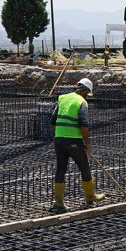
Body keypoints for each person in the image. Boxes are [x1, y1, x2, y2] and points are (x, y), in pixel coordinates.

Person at [49, 77, 104, 212]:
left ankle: (59, 203)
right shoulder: (82, 102)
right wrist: (87, 143)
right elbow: (83, 125)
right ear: (86, 92)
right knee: (84, 167)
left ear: (77, 85)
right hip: (73, 141)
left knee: (61, 169)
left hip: (59, 140)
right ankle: (91, 197)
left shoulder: (62, 98)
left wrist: (59, 136)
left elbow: (52, 120)